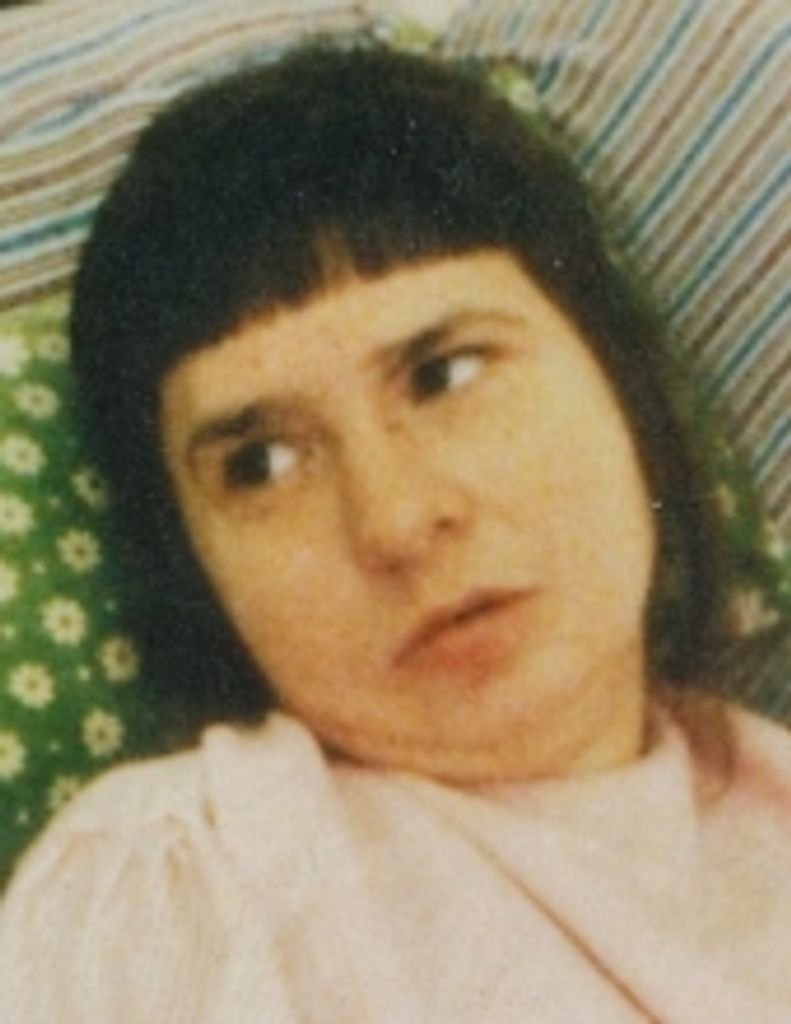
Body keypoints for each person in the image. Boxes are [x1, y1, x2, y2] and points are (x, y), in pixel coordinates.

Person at [1, 43, 789, 1022]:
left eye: (443, 375)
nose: (398, 521)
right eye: (260, 464)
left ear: (621, 379)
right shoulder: (193, 876)